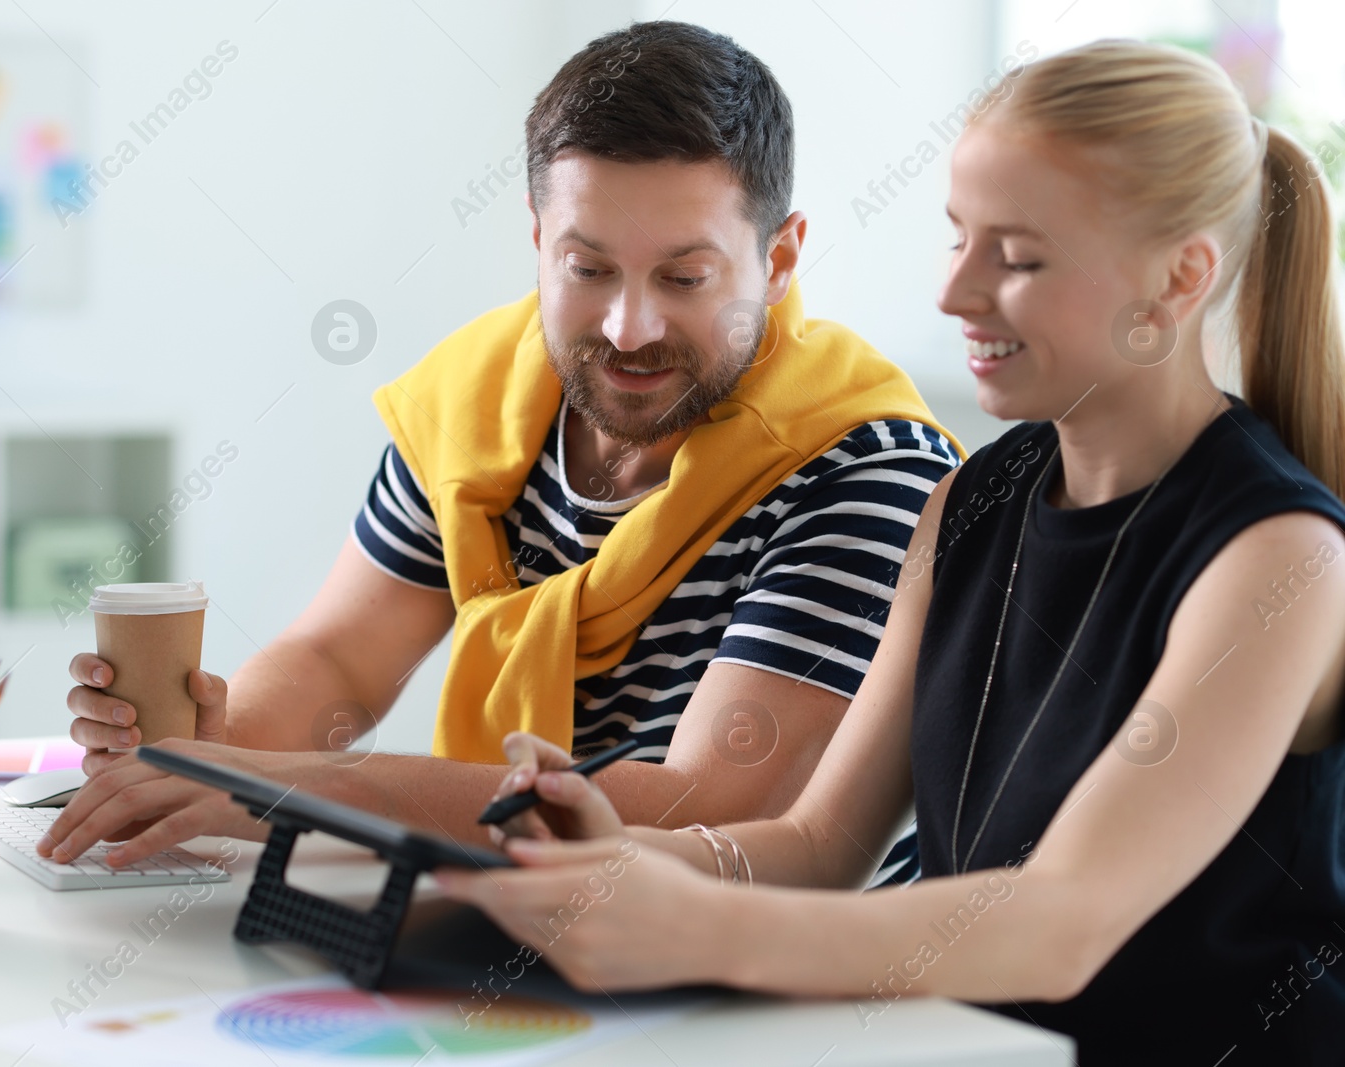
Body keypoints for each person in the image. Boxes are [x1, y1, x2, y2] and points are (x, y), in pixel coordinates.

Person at [438, 39, 1345, 1066]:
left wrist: (693, 924)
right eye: (956, 238)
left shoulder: (1279, 557)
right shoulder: (973, 497)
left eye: (1019, 255)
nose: (955, 293)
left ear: (1179, 278)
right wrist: (614, 851)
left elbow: (1061, 923)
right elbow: (820, 847)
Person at [38, 23, 962, 871]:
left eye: (684, 276)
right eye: (587, 268)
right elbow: (338, 663)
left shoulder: (867, 467)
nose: (629, 327)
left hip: (766, 995)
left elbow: (709, 808)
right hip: (509, 924)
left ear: (782, 259)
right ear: (537, 240)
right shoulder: (478, 402)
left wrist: (292, 790)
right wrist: (207, 743)